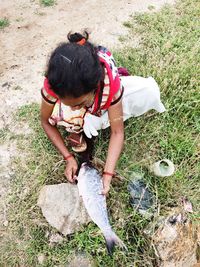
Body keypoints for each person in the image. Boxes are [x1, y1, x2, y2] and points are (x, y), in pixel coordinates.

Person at [40, 31, 165, 195]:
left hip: (105, 98)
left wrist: (107, 174)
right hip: (92, 101)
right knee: (65, 118)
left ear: (95, 89)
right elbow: (44, 121)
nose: (76, 108)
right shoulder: (53, 84)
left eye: (80, 103)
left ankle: (85, 121)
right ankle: (78, 125)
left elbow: (117, 131)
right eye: (67, 103)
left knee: (150, 92)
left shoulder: (109, 86)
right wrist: (68, 158)